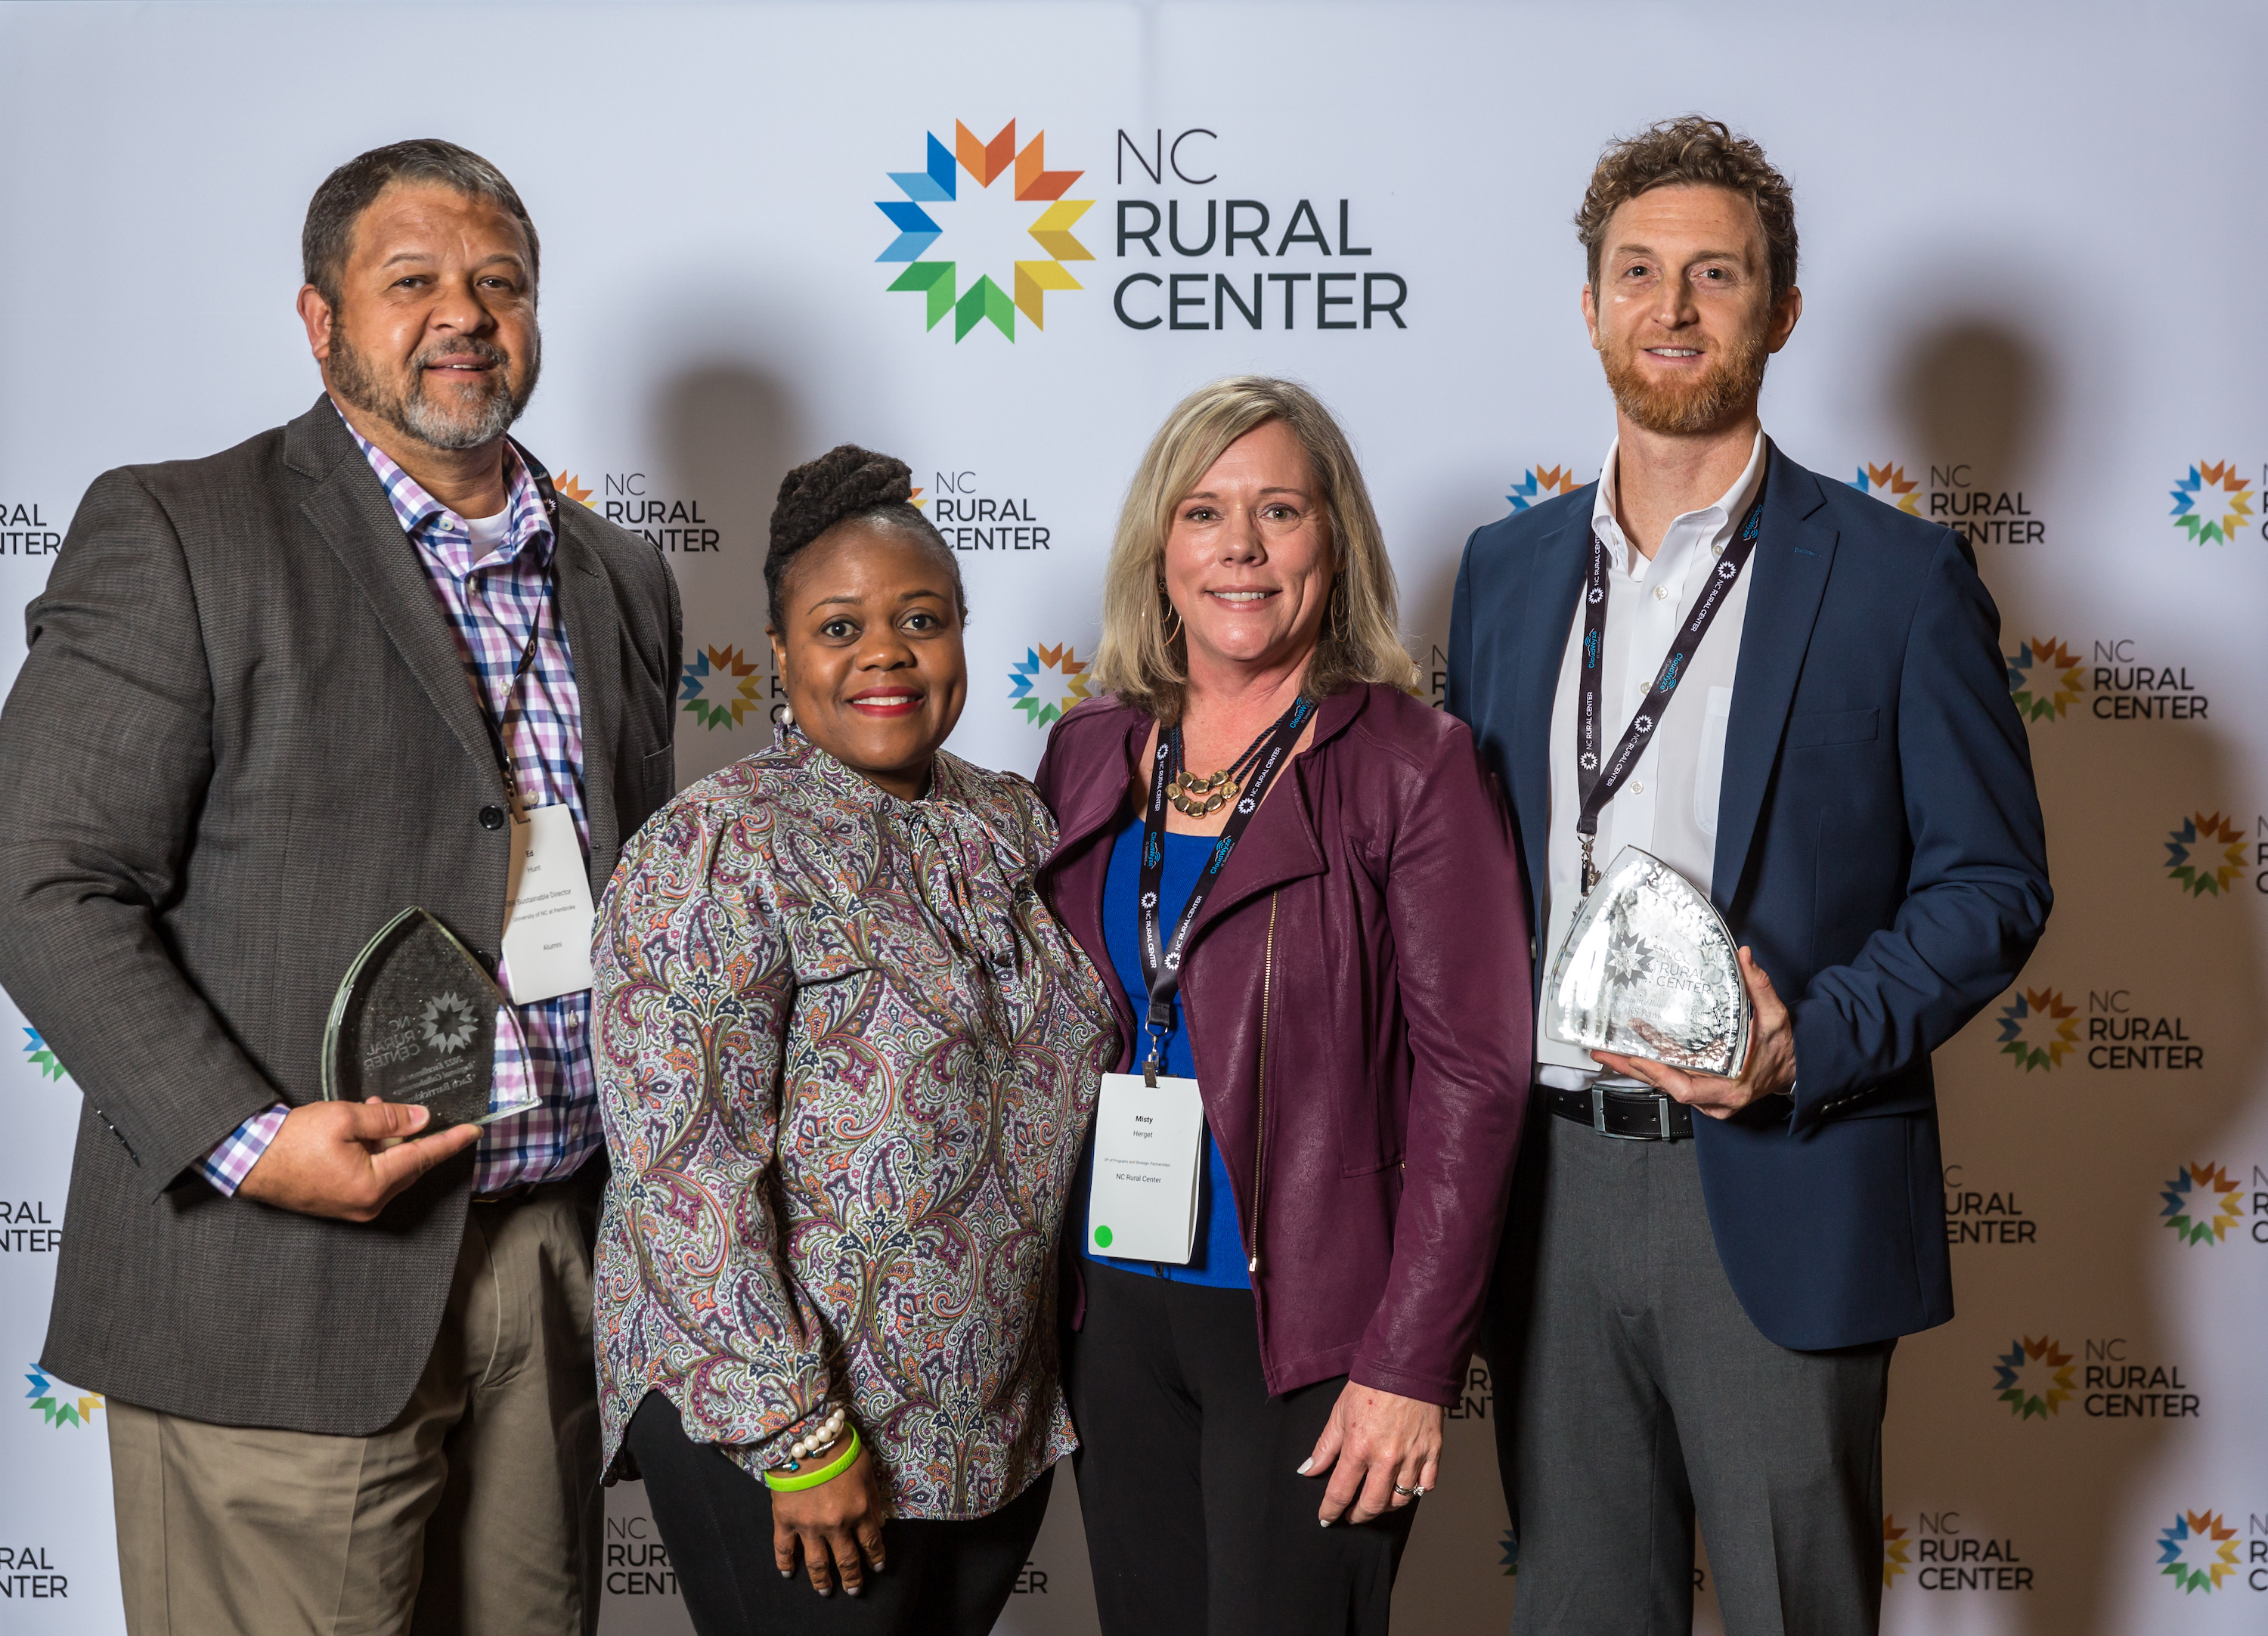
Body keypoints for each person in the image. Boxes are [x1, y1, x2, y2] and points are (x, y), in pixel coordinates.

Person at [0, 139, 680, 1634]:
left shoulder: (622, 576)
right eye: (414, 281)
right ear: (320, 321)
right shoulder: (186, 532)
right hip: (277, 1274)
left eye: (500, 282)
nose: (465, 313)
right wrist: (245, 1142)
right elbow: (44, 875)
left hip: (547, 1263)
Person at [1448, 117, 2053, 1635]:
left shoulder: (1896, 577)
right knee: (1580, 1605)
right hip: (1551, 1184)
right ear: (1587, 303)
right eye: (1638, 273)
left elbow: (1990, 880)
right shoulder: (1505, 572)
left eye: (1717, 274)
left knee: (1798, 1607)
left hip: (1786, 1170)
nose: (1673, 308)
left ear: (1781, 311)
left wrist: (1814, 1035)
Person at [1033, 376, 1532, 1634]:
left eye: (1279, 512)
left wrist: (1410, 1362)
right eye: (1204, 513)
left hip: (1311, 1331)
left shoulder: (1413, 766)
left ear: (1337, 543)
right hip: (1111, 1315)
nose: (1240, 549)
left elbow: (1475, 1081)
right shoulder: (1090, 752)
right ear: (1161, 547)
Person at [593, 445, 1119, 1634]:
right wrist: (798, 1438)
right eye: (839, 627)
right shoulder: (717, 850)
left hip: (990, 1422)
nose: (885, 653)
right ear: (778, 656)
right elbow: (683, 1176)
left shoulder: (1012, 818)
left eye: (919, 619)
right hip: (797, 1432)